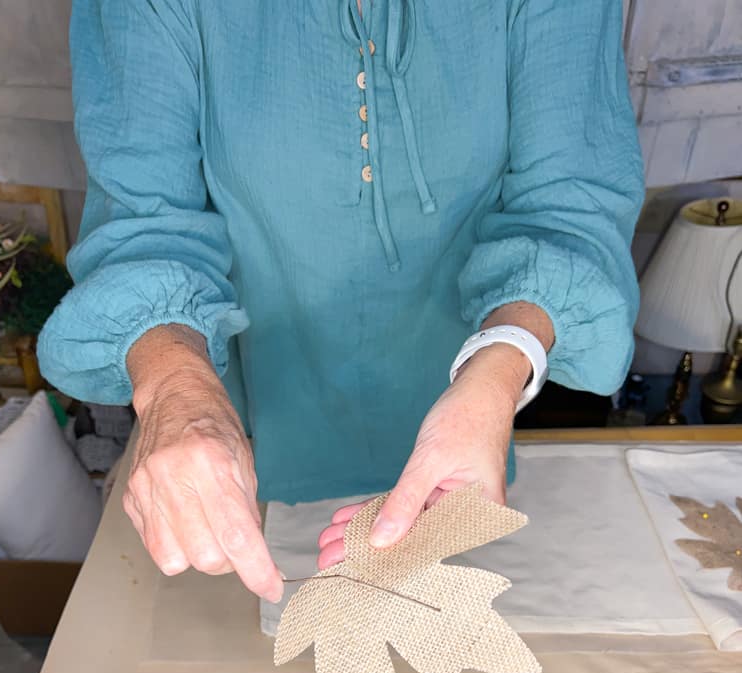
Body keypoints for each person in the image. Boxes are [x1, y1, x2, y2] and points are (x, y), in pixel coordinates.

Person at [39, 0, 644, 606]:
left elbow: (570, 204)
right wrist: (175, 391)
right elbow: (145, 220)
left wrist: (500, 370)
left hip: (472, 408)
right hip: (236, 428)